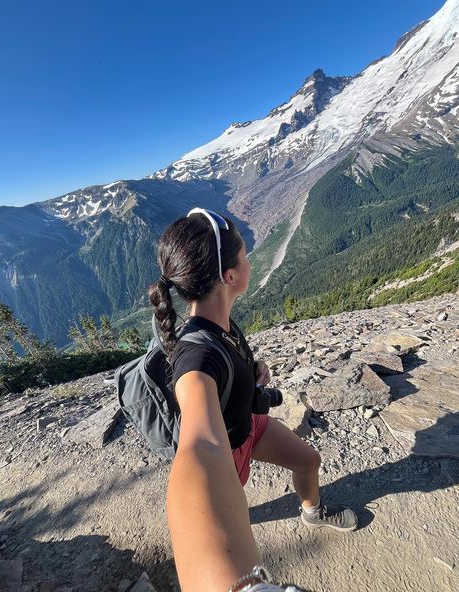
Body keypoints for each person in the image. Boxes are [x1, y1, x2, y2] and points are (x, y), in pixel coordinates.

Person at [149, 208, 357, 592]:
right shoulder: (196, 358)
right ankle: (231, 526)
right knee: (233, 505)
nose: (250, 260)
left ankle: (311, 513)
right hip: (228, 452)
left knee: (309, 460)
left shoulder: (219, 325)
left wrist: (252, 369)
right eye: (245, 254)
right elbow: (200, 447)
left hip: (249, 425)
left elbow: (225, 364)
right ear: (229, 276)